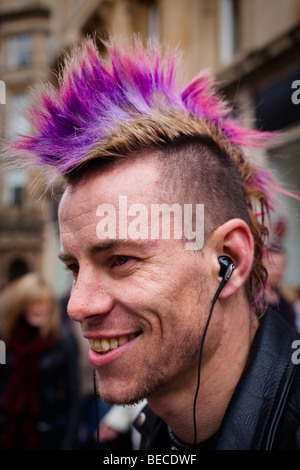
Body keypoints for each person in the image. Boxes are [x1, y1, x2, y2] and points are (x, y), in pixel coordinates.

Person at [5, 37, 300, 450]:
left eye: (121, 260)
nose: (76, 306)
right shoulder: (148, 434)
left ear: (229, 259)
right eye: (73, 268)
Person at [0, 273, 79, 450]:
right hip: (7, 430)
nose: (39, 308)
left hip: (47, 433)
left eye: (44, 303)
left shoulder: (62, 340)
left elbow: (73, 396)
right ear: (20, 305)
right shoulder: (4, 337)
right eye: (33, 302)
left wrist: (69, 443)